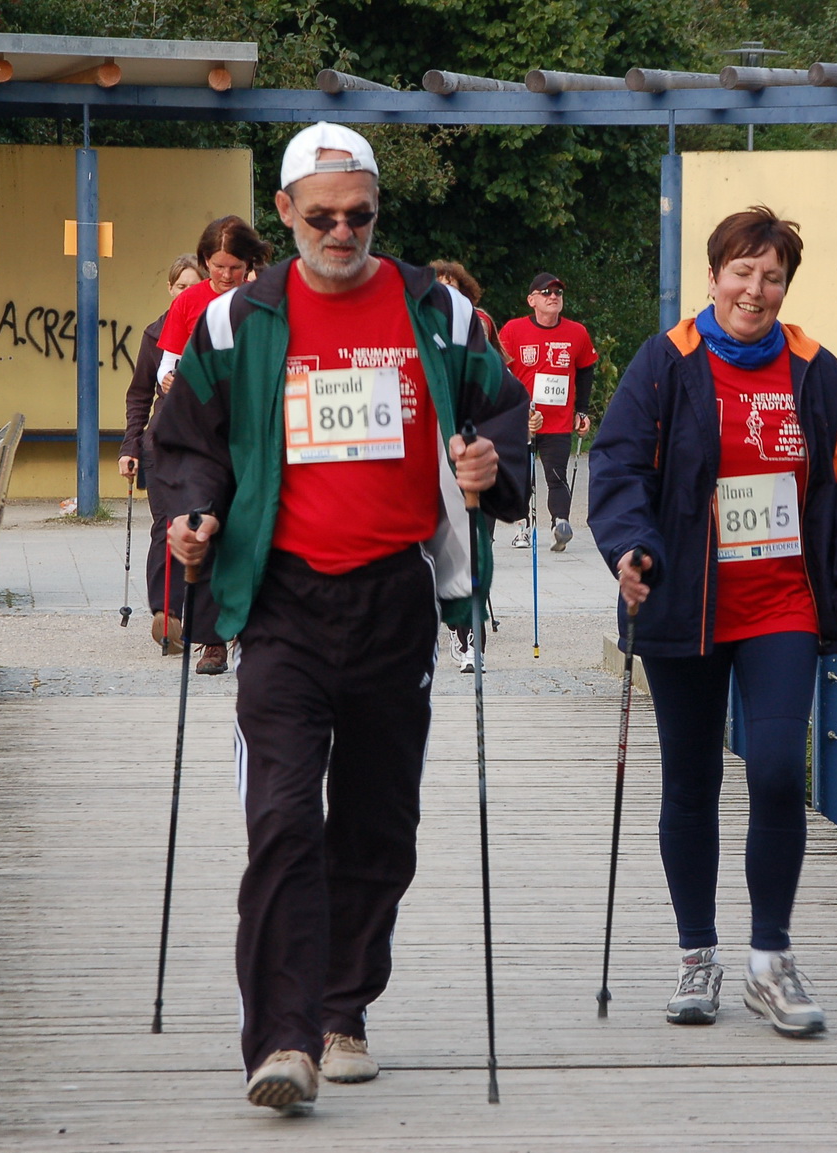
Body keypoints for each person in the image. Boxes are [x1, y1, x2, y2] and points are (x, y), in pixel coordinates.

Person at [150, 122, 529, 1114]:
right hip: (281, 597)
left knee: (378, 823)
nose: (344, 230)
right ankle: (280, 1040)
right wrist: (189, 515)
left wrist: (494, 463)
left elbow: (502, 411)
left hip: (398, 592)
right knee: (280, 818)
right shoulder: (236, 322)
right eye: (323, 216)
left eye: (361, 215)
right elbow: (183, 440)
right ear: (284, 213)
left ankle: (341, 1006)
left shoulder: (438, 311)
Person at [588, 206, 837, 1039]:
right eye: (741, 272)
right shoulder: (666, 363)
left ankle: (769, 960)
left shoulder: (816, 370)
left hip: (783, 603)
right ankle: (696, 954)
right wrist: (633, 549)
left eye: (772, 276)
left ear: (786, 286)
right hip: (684, 601)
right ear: (714, 275)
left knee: (779, 771)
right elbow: (617, 464)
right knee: (690, 779)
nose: (755, 289)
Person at [145, 216, 272, 675]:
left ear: (250, 265)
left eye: (235, 268)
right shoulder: (191, 304)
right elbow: (165, 367)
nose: (225, 276)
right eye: (217, 266)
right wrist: (176, 382)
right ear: (204, 263)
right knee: (205, 527)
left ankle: (252, 627)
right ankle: (212, 640)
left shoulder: (265, 304)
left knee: (250, 529)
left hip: (255, 430)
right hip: (204, 428)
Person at [118, 254, 203, 659]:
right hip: (161, 445)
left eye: (193, 285)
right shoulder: (155, 335)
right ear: (171, 289)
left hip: (205, 446)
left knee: (201, 525)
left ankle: (203, 619)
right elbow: (138, 395)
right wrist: (129, 447)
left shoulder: (216, 329)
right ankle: (166, 615)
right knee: (165, 527)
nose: (186, 292)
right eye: (180, 286)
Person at [431, 260, 504, 673]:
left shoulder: (477, 327)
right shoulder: (414, 330)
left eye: (453, 286)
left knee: (475, 544)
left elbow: (499, 390)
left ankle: (470, 638)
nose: (446, 293)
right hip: (432, 457)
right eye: (439, 286)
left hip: (471, 456)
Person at [498, 272, 597, 552]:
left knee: (556, 475)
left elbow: (585, 371)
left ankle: (560, 525)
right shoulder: (513, 330)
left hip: (558, 420)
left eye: (558, 293)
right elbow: (499, 372)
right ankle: (522, 528)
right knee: (521, 476)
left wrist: (583, 411)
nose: (553, 297)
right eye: (546, 292)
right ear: (532, 300)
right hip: (523, 421)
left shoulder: (576, 332)